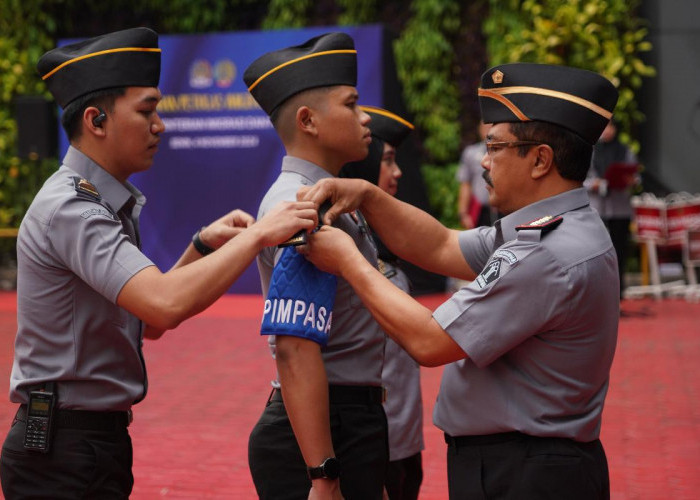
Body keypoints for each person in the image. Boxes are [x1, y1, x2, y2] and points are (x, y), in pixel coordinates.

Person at [0, 27, 317, 499]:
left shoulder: (104, 204)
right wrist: (258, 236)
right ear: (96, 120)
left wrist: (202, 247)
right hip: (62, 450)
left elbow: (147, 320)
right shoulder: (74, 209)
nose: (159, 125)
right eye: (147, 111)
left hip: (86, 442)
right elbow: (163, 305)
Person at [300, 62, 620, 499]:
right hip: (530, 463)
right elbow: (442, 246)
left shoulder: (545, 251)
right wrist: (369, 196)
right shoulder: (557, 226)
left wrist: (350, 261)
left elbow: (430, 342)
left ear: (541, 159)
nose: (484, 162)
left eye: (496, 146)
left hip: (524, 472)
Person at [243, 33, 388, 499]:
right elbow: (295, 347)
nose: (365, 118)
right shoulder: (300, 205)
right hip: (324, 429)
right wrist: (323, 475)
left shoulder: (332, 194)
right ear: (308, 121)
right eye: (351, 104)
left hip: (345, 419)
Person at [339, 106, 424, 500]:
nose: (397, 172)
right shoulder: (345, 247)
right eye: (387, 160)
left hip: (404, 442)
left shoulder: (383, 241)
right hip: (373, 444)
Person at [585, 120, 638, 298]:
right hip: (598, 209)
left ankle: (619, 290)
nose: (607, 131)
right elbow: (581, 180)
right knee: (597, 251)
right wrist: (597, 184)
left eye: (610, 127)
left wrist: (631, 180)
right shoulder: (590, 152)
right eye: (604, 127)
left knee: (620, 250)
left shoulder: (625, 150)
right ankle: (599, 291)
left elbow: (635, 177)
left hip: (620, 208)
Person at [456, 120, 497, 228]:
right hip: (480, 211)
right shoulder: (471, 153)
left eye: (490, 126)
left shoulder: (507, 151)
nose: (487, 129)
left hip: (502, 210)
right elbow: (465, 184)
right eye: (484, 126)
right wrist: (463, 213)